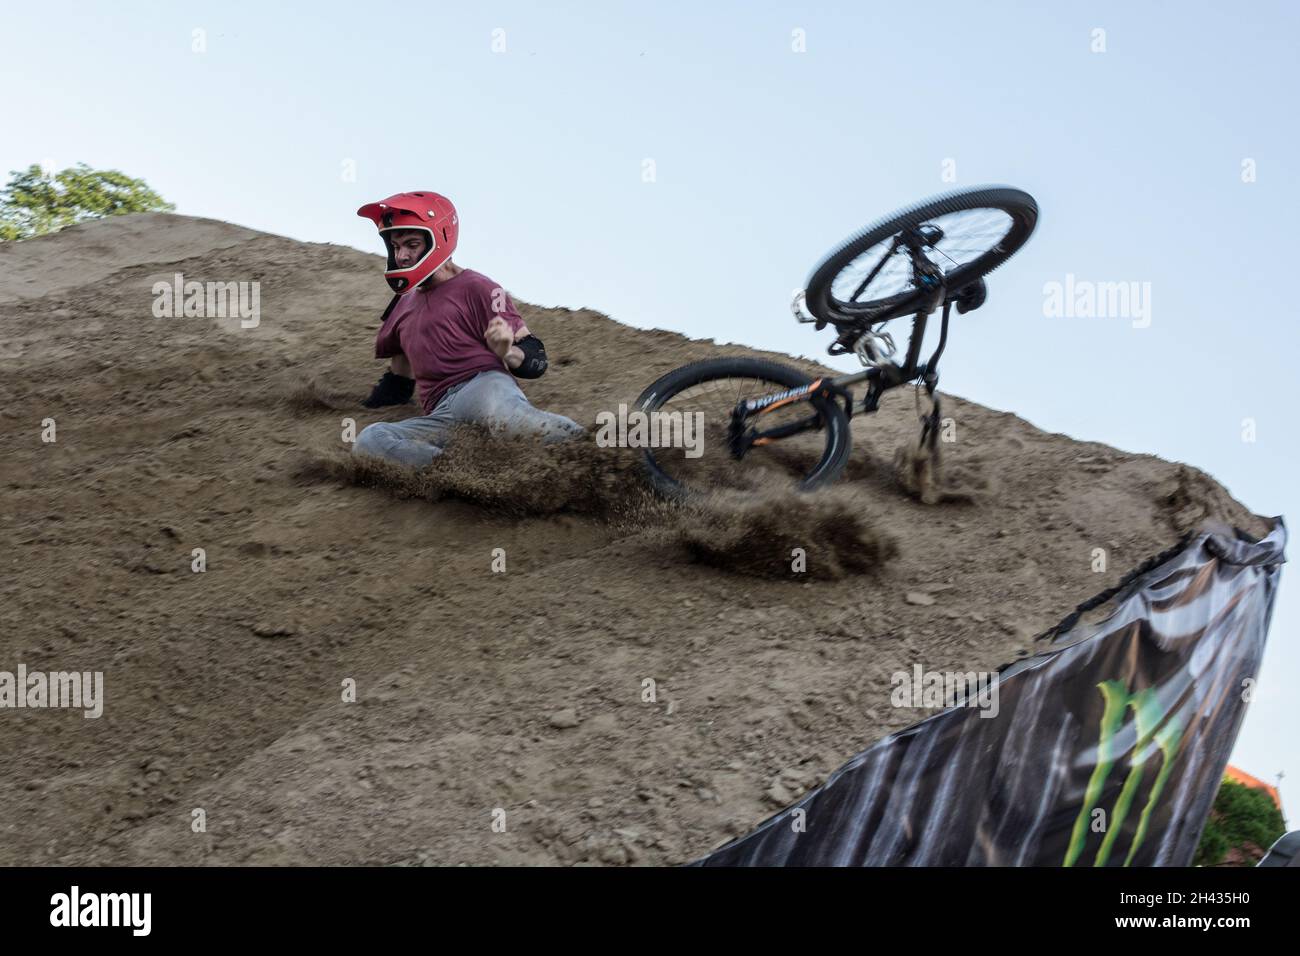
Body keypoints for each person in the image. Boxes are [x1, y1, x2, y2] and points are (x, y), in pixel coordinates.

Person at [353, 191, 584, 467]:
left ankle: (599, 451)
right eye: (396, 246)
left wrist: (508, 351)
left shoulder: (478, 287)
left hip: (485, 389)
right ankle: (460, 475)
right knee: (369, 440)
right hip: (441, 415)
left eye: (411, 244)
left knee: (513, 424)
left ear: (439, 238)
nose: (401, 255)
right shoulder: (401, 306)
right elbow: (399, 382)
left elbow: (536, 359)